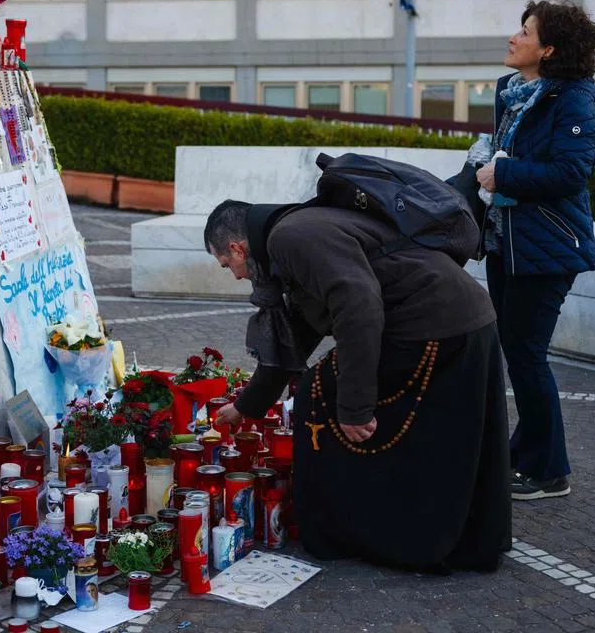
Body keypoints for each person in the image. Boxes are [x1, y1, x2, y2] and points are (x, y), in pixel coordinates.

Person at [206, 199, 511, 572]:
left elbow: (358, 303)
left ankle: (350, 532)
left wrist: (354, 406)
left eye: (228, 265)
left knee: (315, 397)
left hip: (433, 324)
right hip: (458, 317)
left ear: (237, 248)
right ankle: (444, 530)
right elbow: (298, 334)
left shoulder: (289, 238)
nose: (236, 275)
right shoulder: (292, 231)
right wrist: (247, 406)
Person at [474, 0, 595, 500]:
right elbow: (501, 150)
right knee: (518, 352)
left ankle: (549, 471)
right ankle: (523, 453)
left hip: (548, 245)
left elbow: (572, 173)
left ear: (548, 49)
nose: (513, 37)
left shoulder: (575, 98)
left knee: (527, 356)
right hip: (508, 242)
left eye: (524, 31)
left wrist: (502, 173)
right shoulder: (514, 91)